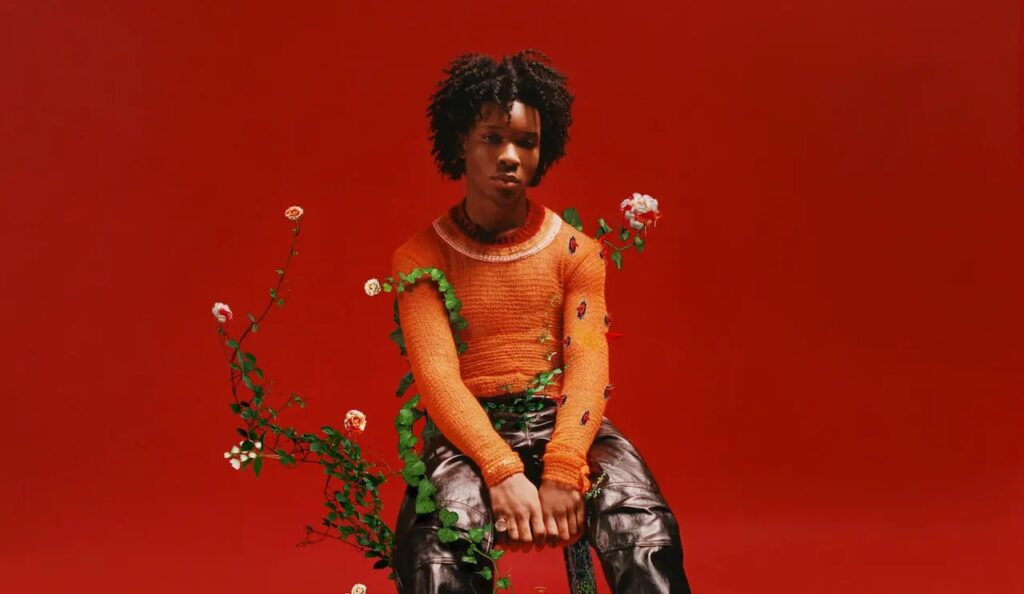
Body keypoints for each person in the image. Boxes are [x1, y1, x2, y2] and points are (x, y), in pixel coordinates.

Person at [390, 49, 692, 593]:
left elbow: (588, 365)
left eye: (525, 142)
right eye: (491, 138)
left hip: (565, 423)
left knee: (642, 527)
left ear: (541, 151)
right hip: (468, 433)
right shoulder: (419, 258)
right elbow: (437, 380)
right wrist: (500, 469)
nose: (509, 156)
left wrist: (564, 467)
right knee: (436, 544)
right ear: (461, 143)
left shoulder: (577, 252)